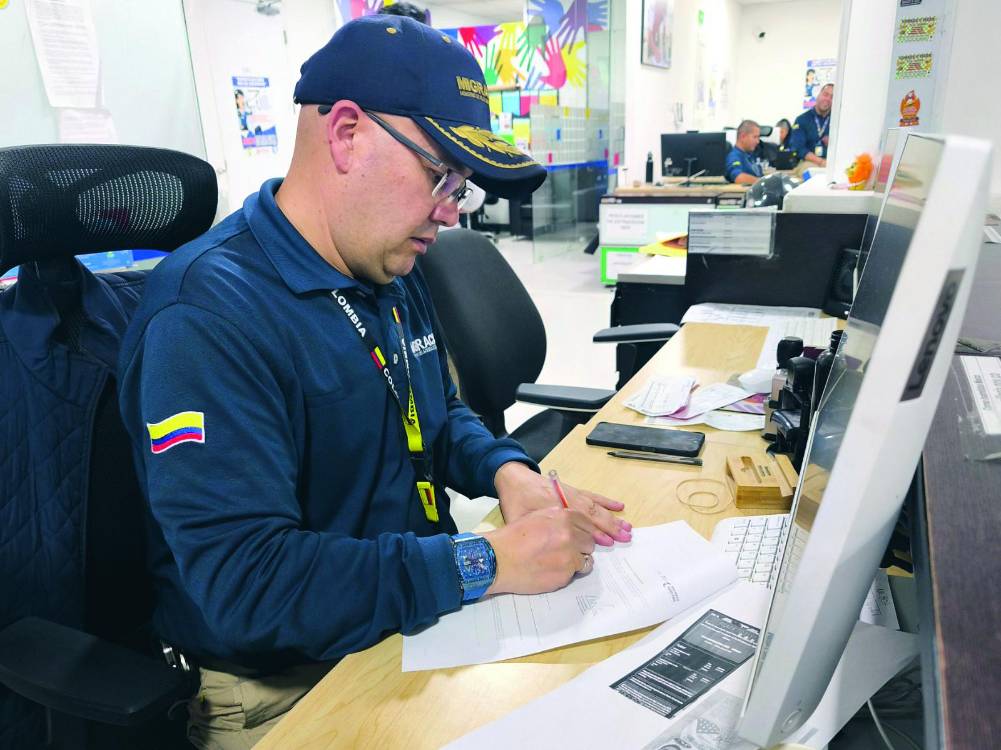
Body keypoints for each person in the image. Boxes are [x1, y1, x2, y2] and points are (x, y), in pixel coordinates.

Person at [118, 16, 632, 749]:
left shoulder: (384, 263)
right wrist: (484, 561)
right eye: (439, 175)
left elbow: (435, 409)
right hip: (288, 685)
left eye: (462, 185)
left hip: (416, 619)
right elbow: (246, 586)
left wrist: (506, 472)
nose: (453, 209)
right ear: (347, 134)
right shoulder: (205, 318)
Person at [790, 83, 833, 167]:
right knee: (814, 173)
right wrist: (820, 162)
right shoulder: (801, 120)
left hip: (831, 162)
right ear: (818, 95)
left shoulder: (837, 122)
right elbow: (799, 148)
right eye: (825, 94)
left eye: (832, 97)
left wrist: (832, 143)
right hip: (808, 162)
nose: (828, 99)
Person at [725, 119, 763, 185]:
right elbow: (739, 178)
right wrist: (763, 183)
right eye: (755, 137)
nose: (758, 141)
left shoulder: (750, 156)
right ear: (743, 136)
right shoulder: (734, 156)